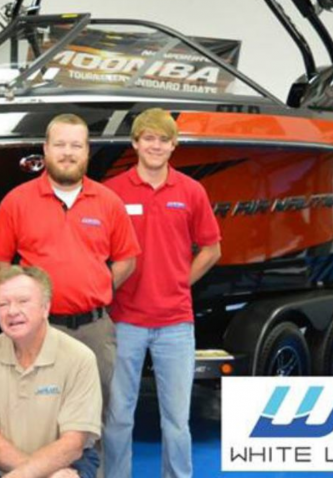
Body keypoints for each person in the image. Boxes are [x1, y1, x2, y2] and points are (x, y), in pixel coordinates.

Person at [0, 113, 140, 412]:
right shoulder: (17, 201)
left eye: (76, 145)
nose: (67, 153)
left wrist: (98, 286)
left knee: (93, 419)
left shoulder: (108, 201)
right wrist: (23, 305)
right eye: (60, 144)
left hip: (94, 331)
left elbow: (127, 260)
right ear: (45, 149)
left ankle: (90, 461)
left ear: (87, 151)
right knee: (34, 416)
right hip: (36, 330)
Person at [102, 108, 221, 478]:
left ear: (174, 145)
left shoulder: (191, 191)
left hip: (175, 324)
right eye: (148, 138)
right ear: (135, 143)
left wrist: (179, 281)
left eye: (163, 139)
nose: (155, 145)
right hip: (124, 321)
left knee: (177, 420)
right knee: (118, 417)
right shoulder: (112, 192)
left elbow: (212, 249)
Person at [0, 265, 103, 478]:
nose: (12, 311)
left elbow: (73, 443)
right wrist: (34, 472)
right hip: (6, 466)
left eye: (23, 301)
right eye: (3, 304)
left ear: (45, 308)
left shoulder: (79, 358)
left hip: (69, 464)